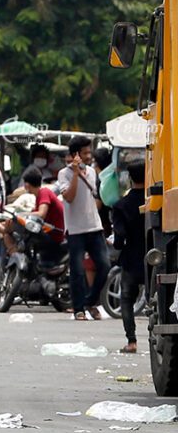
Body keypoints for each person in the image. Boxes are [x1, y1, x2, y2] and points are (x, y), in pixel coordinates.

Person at [58, 135, 110, 321]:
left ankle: (90, 300)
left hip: (94, 227)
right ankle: (79, 308)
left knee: (104, 266)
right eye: (86, 152)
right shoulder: (63, 174)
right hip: (75, 230)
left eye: (90, 152)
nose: (89, 156)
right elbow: (69, 197)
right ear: (75, 154)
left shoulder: (92, 172)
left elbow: (94, 196)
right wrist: (74, 174)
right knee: (78, 270)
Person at [113, 162, 146, 353]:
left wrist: (115, 243)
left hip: (131, 260)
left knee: (126, 299)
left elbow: (119, 240)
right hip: (154, 259)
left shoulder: (121, 206)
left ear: (130, 179)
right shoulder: (156, 202)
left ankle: (132, 341)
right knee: (157, 299)